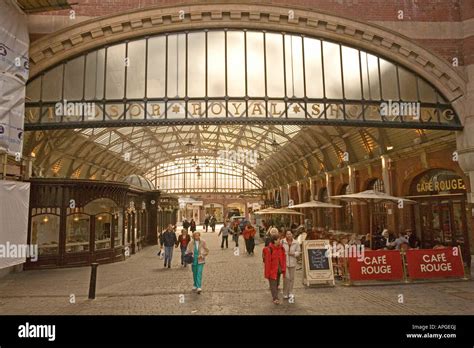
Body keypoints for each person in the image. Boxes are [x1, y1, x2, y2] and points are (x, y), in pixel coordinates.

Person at [262, 233, 286, 305]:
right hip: (272, 270)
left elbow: (283, 258)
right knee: (273, 284)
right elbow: (267, 262)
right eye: (279, 239)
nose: (280, 241)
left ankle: (275, 295)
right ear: (274, 241)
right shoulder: (269, 249)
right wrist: (268, 273)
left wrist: (283, 268)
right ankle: (275, 298)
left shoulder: (281, 248)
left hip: (278, 270)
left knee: (277, 284)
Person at [281, 230, 300, 301]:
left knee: (292, 278)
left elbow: (298, 252)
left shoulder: (296, 242)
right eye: (287, 234)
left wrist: (294, 254)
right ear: (285, 235)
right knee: (286, 278)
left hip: (292, 262)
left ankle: (290, 292)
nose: (289, 235)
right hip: (284, 262)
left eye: (290, 234)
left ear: (292, 234)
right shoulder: (282, 242)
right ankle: (285, 292)